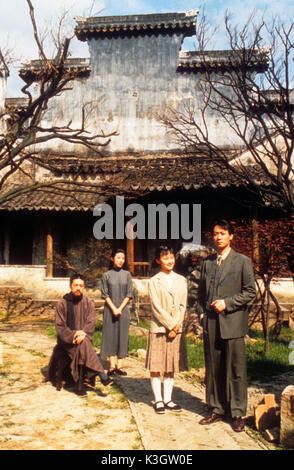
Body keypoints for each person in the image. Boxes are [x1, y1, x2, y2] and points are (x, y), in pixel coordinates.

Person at [197, 220, 256, 432]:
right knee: (213, 368)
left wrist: (227, 303)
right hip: (211, 324)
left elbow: (250, 291)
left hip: (233, 323)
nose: (218, 237)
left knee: (236, 369)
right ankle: (216, 408)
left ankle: (238, 412)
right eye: (215, 234)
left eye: (223, 233)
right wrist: (202, 314)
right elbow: (201, 293)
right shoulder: (208, 262)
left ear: (231, 236)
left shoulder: (242, 261)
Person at [48, 273, 112, 395]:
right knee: (83, 343)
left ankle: (81, 385)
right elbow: (60, 326)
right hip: (67, 340)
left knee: (83, 343)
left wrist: (82, 334)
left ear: (84, 287)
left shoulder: (88, 303)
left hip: (83, 338)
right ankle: (101, 374)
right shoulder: (62, 303)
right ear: (70, 286)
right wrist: (74, 334)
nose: (78, 288)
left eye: (81, 286)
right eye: (75, 285)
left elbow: (90, 323)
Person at [146, 245, 188, 414]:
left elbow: (183, 305)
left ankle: (168, 399)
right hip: (159, 328)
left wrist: (177, 326)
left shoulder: (181, 280)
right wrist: (170, 325)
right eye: (165, 258)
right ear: (158, 261)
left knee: (171, 365)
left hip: (176, 329)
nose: (169, 261)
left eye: (171, 257)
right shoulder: (154, 281)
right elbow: (156, 307)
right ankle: (158, 400)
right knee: (156, 365)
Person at [100, 249, 133, 376]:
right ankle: (112, 366)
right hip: (110, 309)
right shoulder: (106, 275)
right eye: (118, 257)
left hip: (123, 310)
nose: (120, 260)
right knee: (110, 335)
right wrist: (114, 308)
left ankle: (120, 366)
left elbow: (129, 294)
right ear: (112, 258)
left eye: (123, 258)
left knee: (122, 335)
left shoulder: (127, 275)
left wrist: (120, 308)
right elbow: (105, 294)